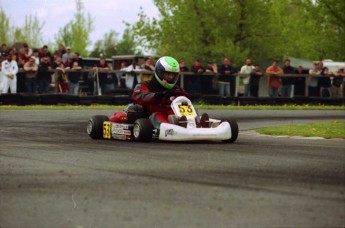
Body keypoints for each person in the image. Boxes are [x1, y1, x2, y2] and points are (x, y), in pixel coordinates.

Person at [132, 56, 209, 129]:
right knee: (156, 115)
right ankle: (173, 128)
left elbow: (185, 97)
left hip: (174, 113)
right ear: (160, 72)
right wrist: (160, 95)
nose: (171, 77)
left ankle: (198, 125)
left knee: (193, 109)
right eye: (168, 74)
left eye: (173, 75)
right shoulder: (145, 85)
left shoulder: (176, 89)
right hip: (154, 113)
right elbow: (140, 96)